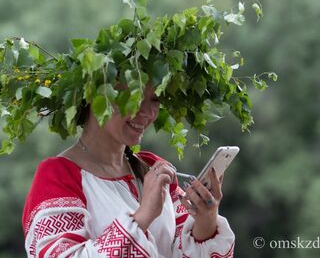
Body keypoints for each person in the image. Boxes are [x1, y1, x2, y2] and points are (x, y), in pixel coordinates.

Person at [22, 83, 235, 258]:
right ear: (95, 96)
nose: (149, 113)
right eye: (135, 97)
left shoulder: (151, 168)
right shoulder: (59, 176)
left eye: (155, 99)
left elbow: (180, 248)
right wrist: (142, 216)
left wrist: (206, 219)